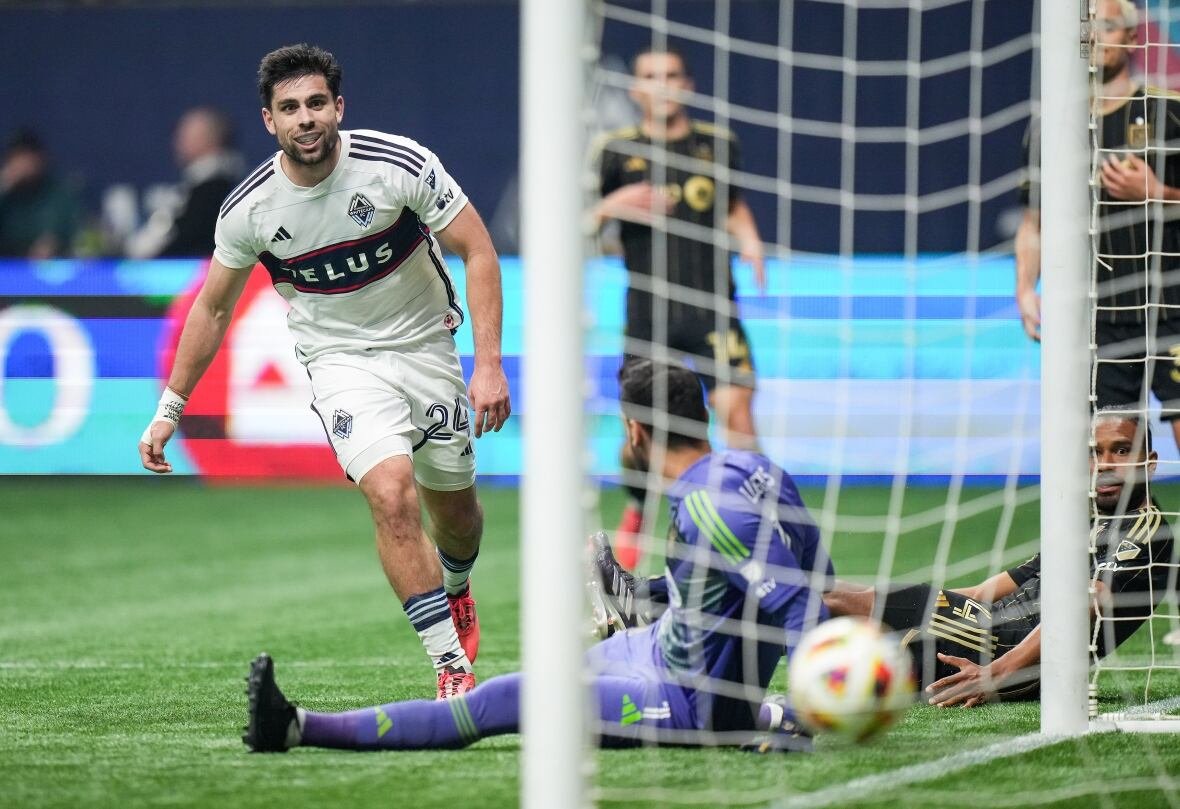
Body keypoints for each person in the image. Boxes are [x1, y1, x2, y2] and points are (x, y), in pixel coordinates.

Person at [137, 44, 511, 700]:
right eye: (290, 108)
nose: (304, 118)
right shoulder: (249, 208)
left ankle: (458, 587)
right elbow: (214, 307)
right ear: (268, 121)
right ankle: (450, 663)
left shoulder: (399, 164)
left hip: (427, 347)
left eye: (315, 103)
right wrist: (170, 408)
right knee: (391, 492)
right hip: (339, 363)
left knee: (458, 517)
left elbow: (477, 249)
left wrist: (489, 366)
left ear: (338, 107)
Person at [242, 358, 832, 753]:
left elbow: (799, 606)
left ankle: (295, 727)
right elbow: (818, 583)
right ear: (701, 417)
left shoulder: (707, 508)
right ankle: (758, 710)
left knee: (508, 699)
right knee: (554, 673)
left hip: (686, 701)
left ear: (635, 432)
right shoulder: (759, 471)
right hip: (661, 647)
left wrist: (822, 695)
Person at [823, 409, 1177, 707]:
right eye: (1094, 452)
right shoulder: (1087, 525)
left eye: (1120, 451)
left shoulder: (1145, 531)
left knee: (838, 612)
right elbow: (980, 593)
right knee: (842, 598)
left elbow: (1087, 601)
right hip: (986, 626)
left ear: (1149, 462)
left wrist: (998, 672)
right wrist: (916, 598)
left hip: (1006, 648)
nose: (1105, 464)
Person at [593, 46, 766, 571]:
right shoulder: (615, 151)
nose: (662, 85)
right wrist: (609, 206)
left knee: (737, 413)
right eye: (651, 76)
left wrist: (751, 241)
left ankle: (750, 523)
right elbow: (581, 222)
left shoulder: (719, 144)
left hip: (714, 306)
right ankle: (639, 505)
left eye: (671, 75)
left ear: (687, 85)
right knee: (640, 441)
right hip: (650, 317)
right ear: (636, 89)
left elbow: (731, 203)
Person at [1016, 0, 1180, 451]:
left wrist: (1159, 193)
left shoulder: (1170, 114)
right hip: (1096, 320)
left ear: (1131, 38)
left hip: (1171, 308)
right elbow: (1035, 223)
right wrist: (1026, 289)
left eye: (1108, 25)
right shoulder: (1051, 127)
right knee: (1111, 456)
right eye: (1089, 25)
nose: (1097, 34)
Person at [125, 106, 244, 258]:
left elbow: (185, 240)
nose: (177, 143)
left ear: (208, 138)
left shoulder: (212, 191)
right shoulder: (204, 186)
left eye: (184, 135)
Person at [0, 128, 81, 258]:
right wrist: (4, 183)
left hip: (43, 267)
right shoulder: (5, 191)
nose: (24, 166)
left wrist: (54, 242)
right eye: (20, 159)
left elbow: (70, 227)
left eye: (29, 159)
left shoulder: (57, 193)